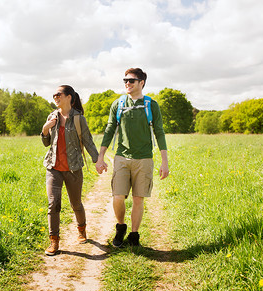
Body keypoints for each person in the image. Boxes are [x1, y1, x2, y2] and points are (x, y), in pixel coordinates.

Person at [95, 68, 169, 247]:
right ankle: (121, 227)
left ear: (141, 83)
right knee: (118, 197)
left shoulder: (151, 105)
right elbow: (110, 129)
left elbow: (159, 132)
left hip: (144, 159)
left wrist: (164, 161)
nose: (127, 83)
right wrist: (101, 156)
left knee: (138, 199)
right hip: (122, 157)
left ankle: (134, 235)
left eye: (131, 81)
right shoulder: (118, 104)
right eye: (125, 81)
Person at [41, 85, 99, 256]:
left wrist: (98, 160)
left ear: (69, 97)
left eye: (58, 94)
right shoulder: (52, 116)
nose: (55, 97)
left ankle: (81, 230)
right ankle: (54, 241)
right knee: (53, 204)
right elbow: (46, 142)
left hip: (73, 169)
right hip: (53, 168)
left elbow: (88, 141)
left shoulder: (79, 119)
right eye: (54, 95)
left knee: (76, 204)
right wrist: (45, 129)